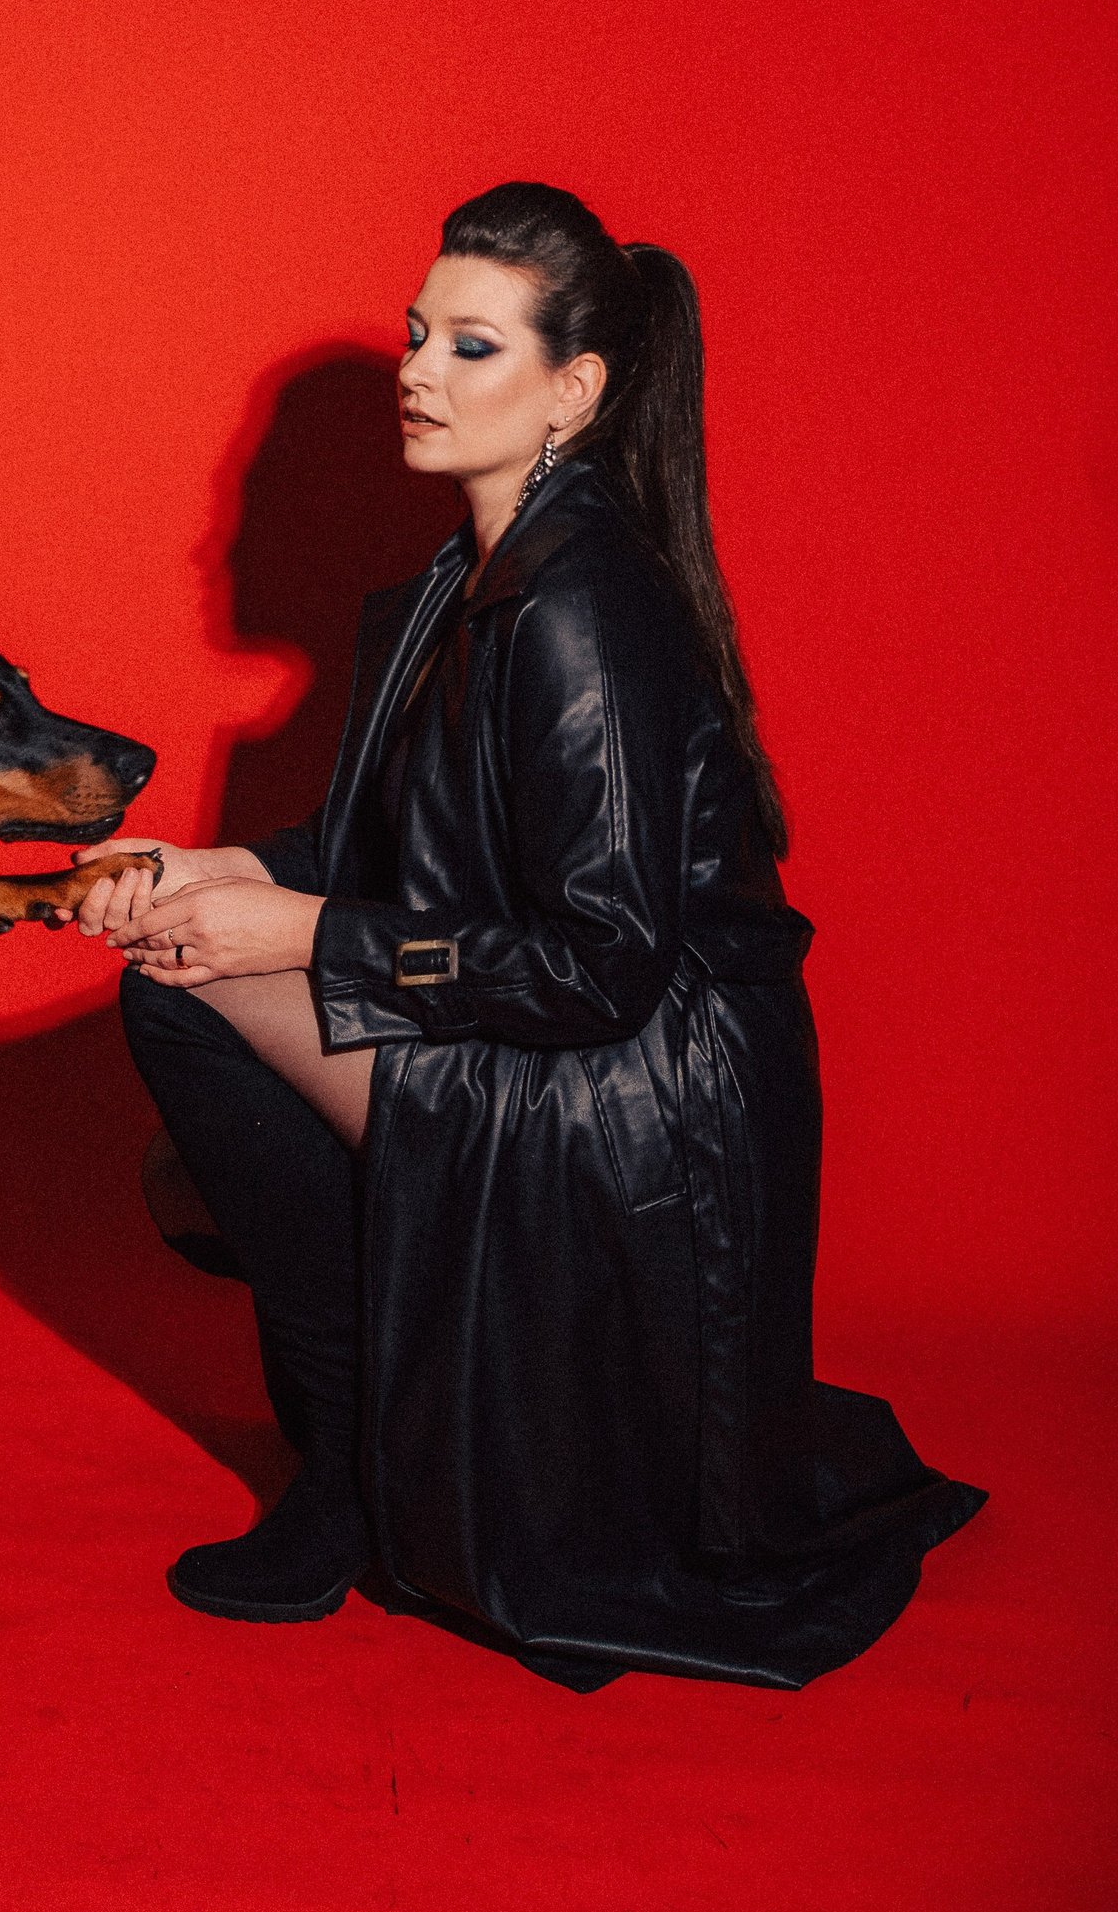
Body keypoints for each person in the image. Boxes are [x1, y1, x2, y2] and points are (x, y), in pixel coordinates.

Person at [70, 181, 983, 1689]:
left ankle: (352, 1470)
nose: (419, 370)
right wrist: (209, 866)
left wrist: (298, 931)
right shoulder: (468, 575)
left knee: (196, 994)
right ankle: (361, 1450)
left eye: (471, 347)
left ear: (575, 390)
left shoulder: (581, 601)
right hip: (574, 1034)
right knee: (182, 963)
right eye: (417, 334)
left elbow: (603, 961)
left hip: (648, 1088)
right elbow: (383, 852)